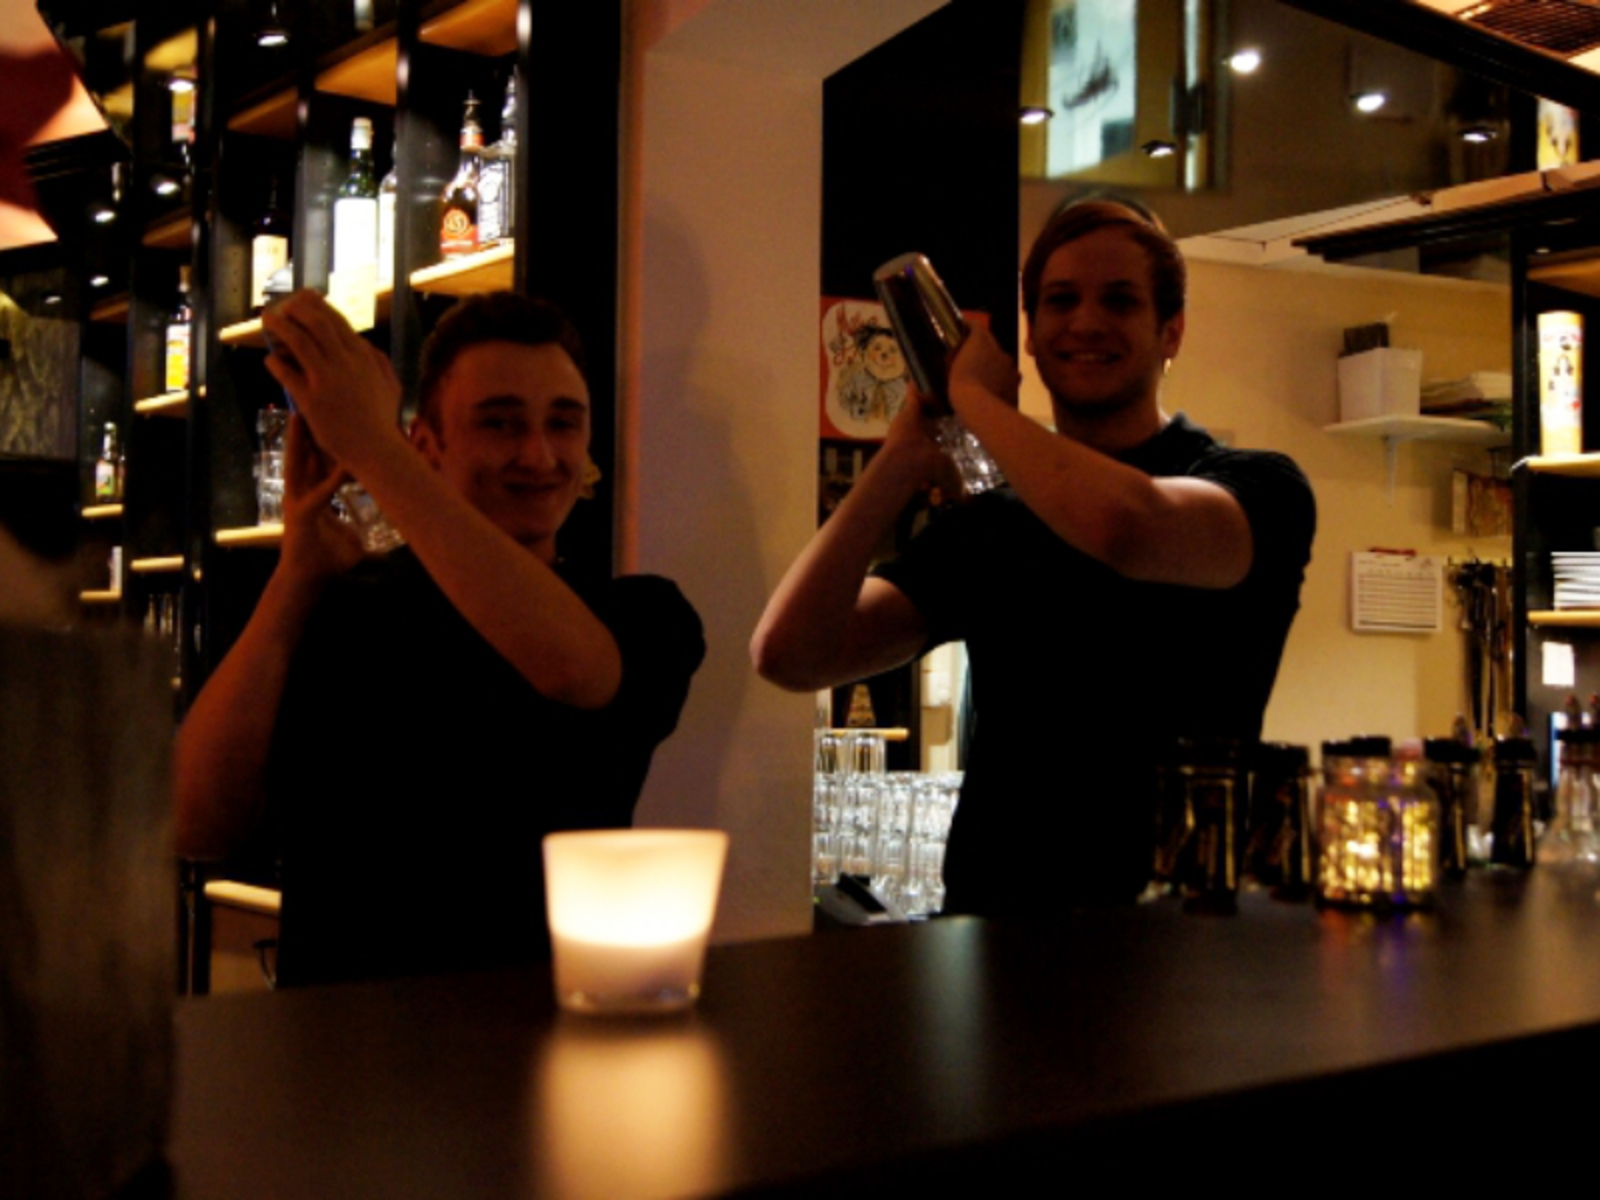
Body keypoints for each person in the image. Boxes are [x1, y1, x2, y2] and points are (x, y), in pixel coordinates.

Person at [752, 198, 1315, 918]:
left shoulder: (1256, 488)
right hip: (997, 932)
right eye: (1061, 301)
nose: (1086, 322)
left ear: (1170, 330)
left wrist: (974, 401)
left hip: (1178, 930)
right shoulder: (994, 524)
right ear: (1032, 334)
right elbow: (789, 655)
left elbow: (1126, 527)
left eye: (1119, 300)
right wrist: (900, 458)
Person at [174, 291, 705, 986]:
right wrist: (293, 578)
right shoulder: (341, 606)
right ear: (427, 445)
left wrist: (372, 448)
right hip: (340, 1041)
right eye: (499, 422)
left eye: (563, 423)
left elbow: (572, 670)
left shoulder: (639, 615)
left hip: (539, 1034)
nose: (539, 454)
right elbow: (195, 824)